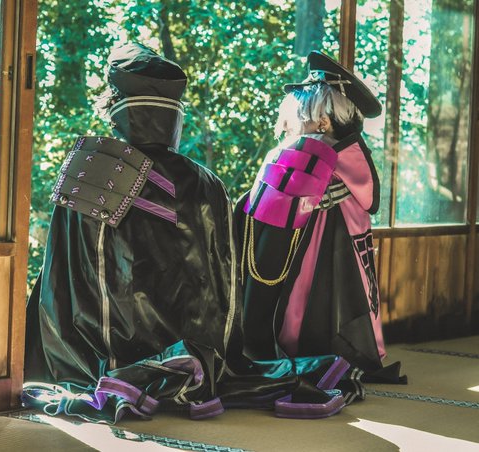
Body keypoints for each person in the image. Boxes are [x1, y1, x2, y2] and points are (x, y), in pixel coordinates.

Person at [23, 43, 352, 423]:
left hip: (112, 354)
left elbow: (62, 283)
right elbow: (225, 290)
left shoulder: (95, 169)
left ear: (117, 107)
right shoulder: (206, 181)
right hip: (207, 347)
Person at [234, 51, 394, 375]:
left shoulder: (328, 157)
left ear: (323, 121)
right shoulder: (327, 155)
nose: (293, 124)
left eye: (301, 115)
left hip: (322, 263)